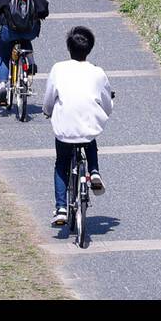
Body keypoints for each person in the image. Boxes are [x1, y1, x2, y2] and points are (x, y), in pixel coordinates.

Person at [43, 26, 112, 226]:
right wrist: (105, 111)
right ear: (89, 49)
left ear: (69, 48)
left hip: (64, 129)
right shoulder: (98, 72)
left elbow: (49, 98)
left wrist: (47, 111)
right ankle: (95, 172)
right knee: (89, 138)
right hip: (87, 128)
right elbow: (107, 103)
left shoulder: (58, 68)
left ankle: (61, 208)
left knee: (61, 164)